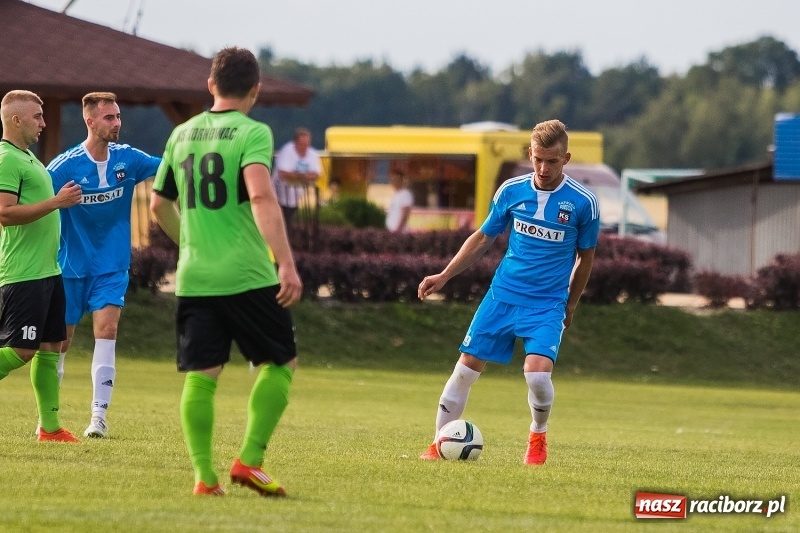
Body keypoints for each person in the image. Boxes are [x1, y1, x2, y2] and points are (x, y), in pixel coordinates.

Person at [151, 46, 303, 497]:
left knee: (202, 373)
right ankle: (249, 461)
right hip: (246, 274)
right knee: (281, 361)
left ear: (210, 85)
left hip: (195, 276)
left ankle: (204, 477)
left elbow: (158, 205)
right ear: (255, 91)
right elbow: (259, 196)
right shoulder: (252, 132)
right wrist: (286, 263)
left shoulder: (181, 134)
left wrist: (192, 244)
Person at [417, 119, 599, 465]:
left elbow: (585, 259)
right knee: (465, 369)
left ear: (567, 158)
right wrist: (444, 275)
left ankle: (537, 435)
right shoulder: (511, 191)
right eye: (538, 159)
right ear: (529, 154)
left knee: (538, 375)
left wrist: (571, 304)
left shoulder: (582, 202)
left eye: (553, 161)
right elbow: (482, 238)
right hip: (502, 297)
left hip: (547, 304)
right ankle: (437, 444)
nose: (544, 168)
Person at [46, 92, 162, 439]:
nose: (117, 123)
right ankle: (48, 417)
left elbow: (169, 167)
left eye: (118, 116)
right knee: (60, 345)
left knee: (107, 332)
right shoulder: (63, 168)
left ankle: (98, 418)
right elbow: (39, 206)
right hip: (70, 267)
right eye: (109, 117)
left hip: (111, 265)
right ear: (90, 121)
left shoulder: (129, 159)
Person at [0, 90, 82, 442]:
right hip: (23, 272)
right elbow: (4, 213)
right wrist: (56, 202)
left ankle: (49, 428)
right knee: (22, 350)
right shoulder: (6, 159)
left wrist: (57, 201)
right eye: (37, 116)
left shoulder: (30, 159)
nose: (43, 122)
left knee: (51, 347)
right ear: (16, 120)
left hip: (49, 270)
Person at [272, 127, 322, 228]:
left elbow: (317, 174)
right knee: (280, 222)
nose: (304, 147)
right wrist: (304, 176)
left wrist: (296, 175)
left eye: (307, 144)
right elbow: (283, 173)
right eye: (301, 144)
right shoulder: (287, 151)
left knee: (288, 221)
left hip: (296, 197)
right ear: (295, 143)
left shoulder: (312, 154)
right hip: (278, 195)